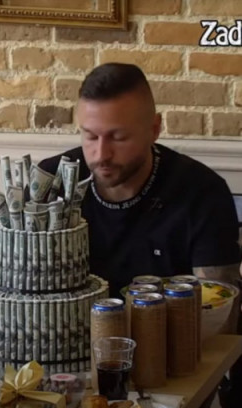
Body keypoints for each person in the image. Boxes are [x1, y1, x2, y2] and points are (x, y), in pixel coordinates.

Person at [39, 62, 241, 408]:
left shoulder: (202, 193)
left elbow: (218, 321)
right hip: (65, 373)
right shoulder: (51, 182)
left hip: (170, 376)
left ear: (154, 129)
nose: (101, 154)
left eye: (118, 137)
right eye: (90, 136)